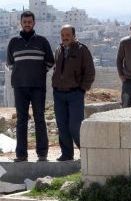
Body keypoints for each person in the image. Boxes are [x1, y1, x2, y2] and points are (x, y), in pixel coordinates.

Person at [6, 10, 54, 162]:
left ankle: (42, 154)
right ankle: (21, 155)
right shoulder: (14, 42)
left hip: (37, 87)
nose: (27, 24)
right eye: (25, 21)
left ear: (34, 23)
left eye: (30, 22)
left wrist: (38, 73)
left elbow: (50, 61)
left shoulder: (42, 41)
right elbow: (10, 63)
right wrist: (22, 73)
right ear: (21, 23)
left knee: (39, 118)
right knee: (21, 120)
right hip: (19, 86)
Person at [51, 25, 95, 162]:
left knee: (75, 126)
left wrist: (82, 89)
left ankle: (86, 152)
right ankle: (67, 154)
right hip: (59, 94)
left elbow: (90, 72)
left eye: (68, 34)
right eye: (63, 34)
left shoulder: (82, 50)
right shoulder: (59, 49)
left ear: (74, 35)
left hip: (75, 93)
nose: (65, 37)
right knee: (62, 126)